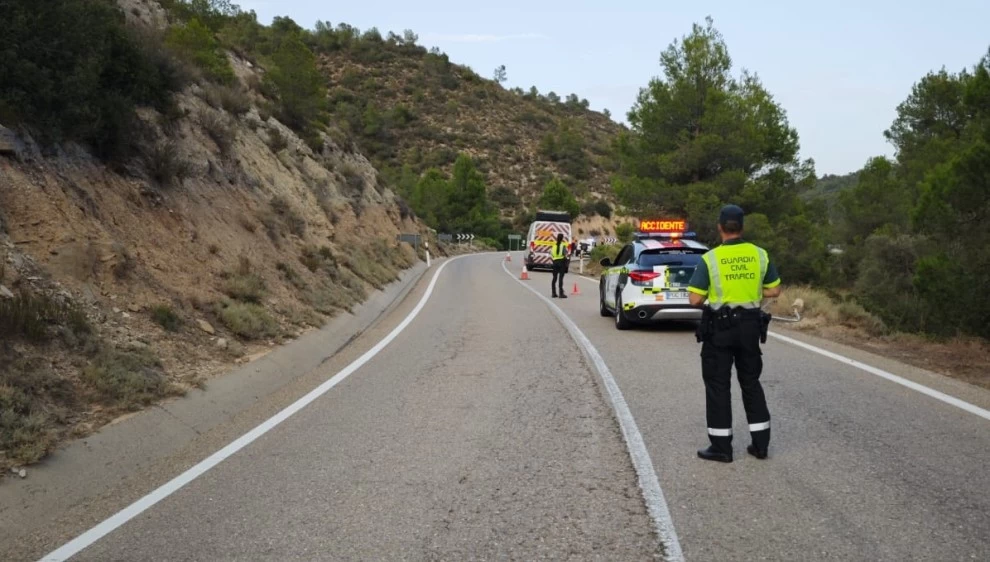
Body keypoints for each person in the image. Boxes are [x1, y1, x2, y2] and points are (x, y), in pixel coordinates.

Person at [687, 205, 782, 463]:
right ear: (742, 227)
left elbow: (695, 299)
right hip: (751, 326)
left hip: (720, 327)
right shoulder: (759, 254)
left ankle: (721, 448)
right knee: (751, 383)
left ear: (720, 227)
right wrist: (749, 294)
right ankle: (760, 445)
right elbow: (774, 291)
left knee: (718, 385)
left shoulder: (711, 259)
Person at [550, 233, 570, 298]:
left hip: (555, 262)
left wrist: (554, 259)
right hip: (561, 262)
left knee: (554, 278)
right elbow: (565, 254)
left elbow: (551, 253)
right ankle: (561, 293)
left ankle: (553, 293)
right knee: (561, 278)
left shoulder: (554, 246)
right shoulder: (563, 245)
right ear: (562, 238)